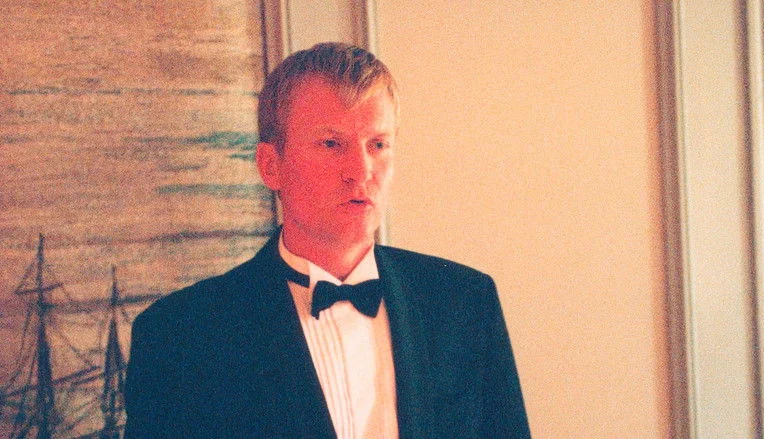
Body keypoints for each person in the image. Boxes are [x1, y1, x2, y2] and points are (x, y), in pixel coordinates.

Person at [124, 42, 531, 438]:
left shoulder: (465, 302)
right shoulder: (180, 336)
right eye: (331, 144)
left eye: (378, 144)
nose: (361, 170)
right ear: (270, 166)